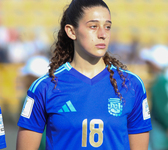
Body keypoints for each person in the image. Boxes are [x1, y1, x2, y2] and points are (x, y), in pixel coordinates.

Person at [16, 0, 152, 149]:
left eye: (107, 27)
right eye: (93, 26)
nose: (102, 34)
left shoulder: (131, 85)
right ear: (71, 31)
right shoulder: (44, 87)